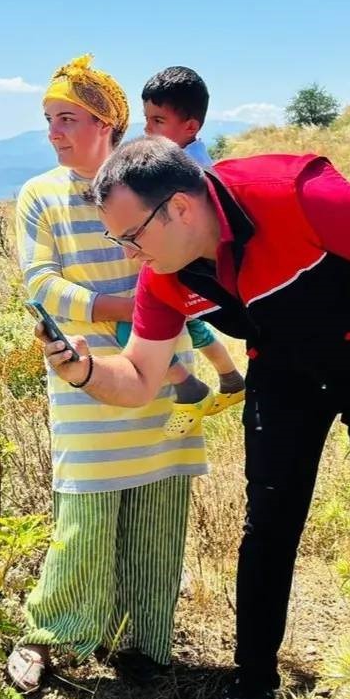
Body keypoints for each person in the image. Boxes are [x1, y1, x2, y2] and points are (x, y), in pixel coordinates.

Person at [39, 136, 350, 699]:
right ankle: (251, 689)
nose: (130, 254)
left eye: (132, 236)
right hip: (283, 370)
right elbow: (141, 379)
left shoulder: (297, 196)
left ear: (179, 208)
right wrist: (83, 372)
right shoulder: (165, 278)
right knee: (268, 532)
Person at [6, 56, 207, 693]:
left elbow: (188, 252)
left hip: (165, 364)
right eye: (48, 120)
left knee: (159, 509)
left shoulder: (148, 176)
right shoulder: (41, 195)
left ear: (106, 122)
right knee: (84, 517)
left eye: (67, 118)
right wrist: (120, 307)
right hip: (86, 375)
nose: (54, 132)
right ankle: (52, 635)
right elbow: (38, 282)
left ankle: (148, 643)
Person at [117, 66, 245, 436]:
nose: (148, 130)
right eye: (147, 120)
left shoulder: (189, 172)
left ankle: (188, 387)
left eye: (158, 120)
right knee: (197, 329)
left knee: (130, 329)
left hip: (181, 270)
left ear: (190, 127)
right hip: (189, 273)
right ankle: (231, 379)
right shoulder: (191, 163)